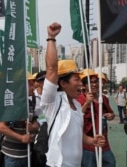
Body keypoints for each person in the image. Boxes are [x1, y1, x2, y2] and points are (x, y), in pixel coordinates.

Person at [40, 22, 105, 167]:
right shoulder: (52, 101)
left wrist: (91, 140)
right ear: (63, 83)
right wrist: (51, 38)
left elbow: (77, 134)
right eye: (77, 79)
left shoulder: (76, 105)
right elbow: (51, 69)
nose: (82, 84)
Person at [0, 72, 39, 167]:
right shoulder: (9, 102)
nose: (33, 87)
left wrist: (33, 127)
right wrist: (21, 138)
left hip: (27, 151)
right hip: (12, 155)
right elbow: (1, 127)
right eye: (30, 84)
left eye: (33, 84)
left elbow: (36, 122)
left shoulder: (30, 103)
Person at [77, 68, 116, 167]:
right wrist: (87, 103)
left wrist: (111, 116)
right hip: (87, 145)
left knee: (111, 163)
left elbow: (111, 114)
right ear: (84, 86)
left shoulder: (103, 99)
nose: (94, 84)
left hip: (103, 143)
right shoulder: (79, 99)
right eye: (90, 82)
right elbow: (75, 117)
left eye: (96, 82)